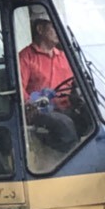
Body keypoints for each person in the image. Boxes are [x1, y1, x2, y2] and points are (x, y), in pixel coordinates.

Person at [18, 9, 78, 150]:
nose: (58, 30)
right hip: (40, 112)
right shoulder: (25, 57)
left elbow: (76, 83)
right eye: (53, 26)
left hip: (65, 107)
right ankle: (60, 160)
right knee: (64, 125)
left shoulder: (64, 57)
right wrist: (33, 103)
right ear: (40, 29)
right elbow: (20, 90)